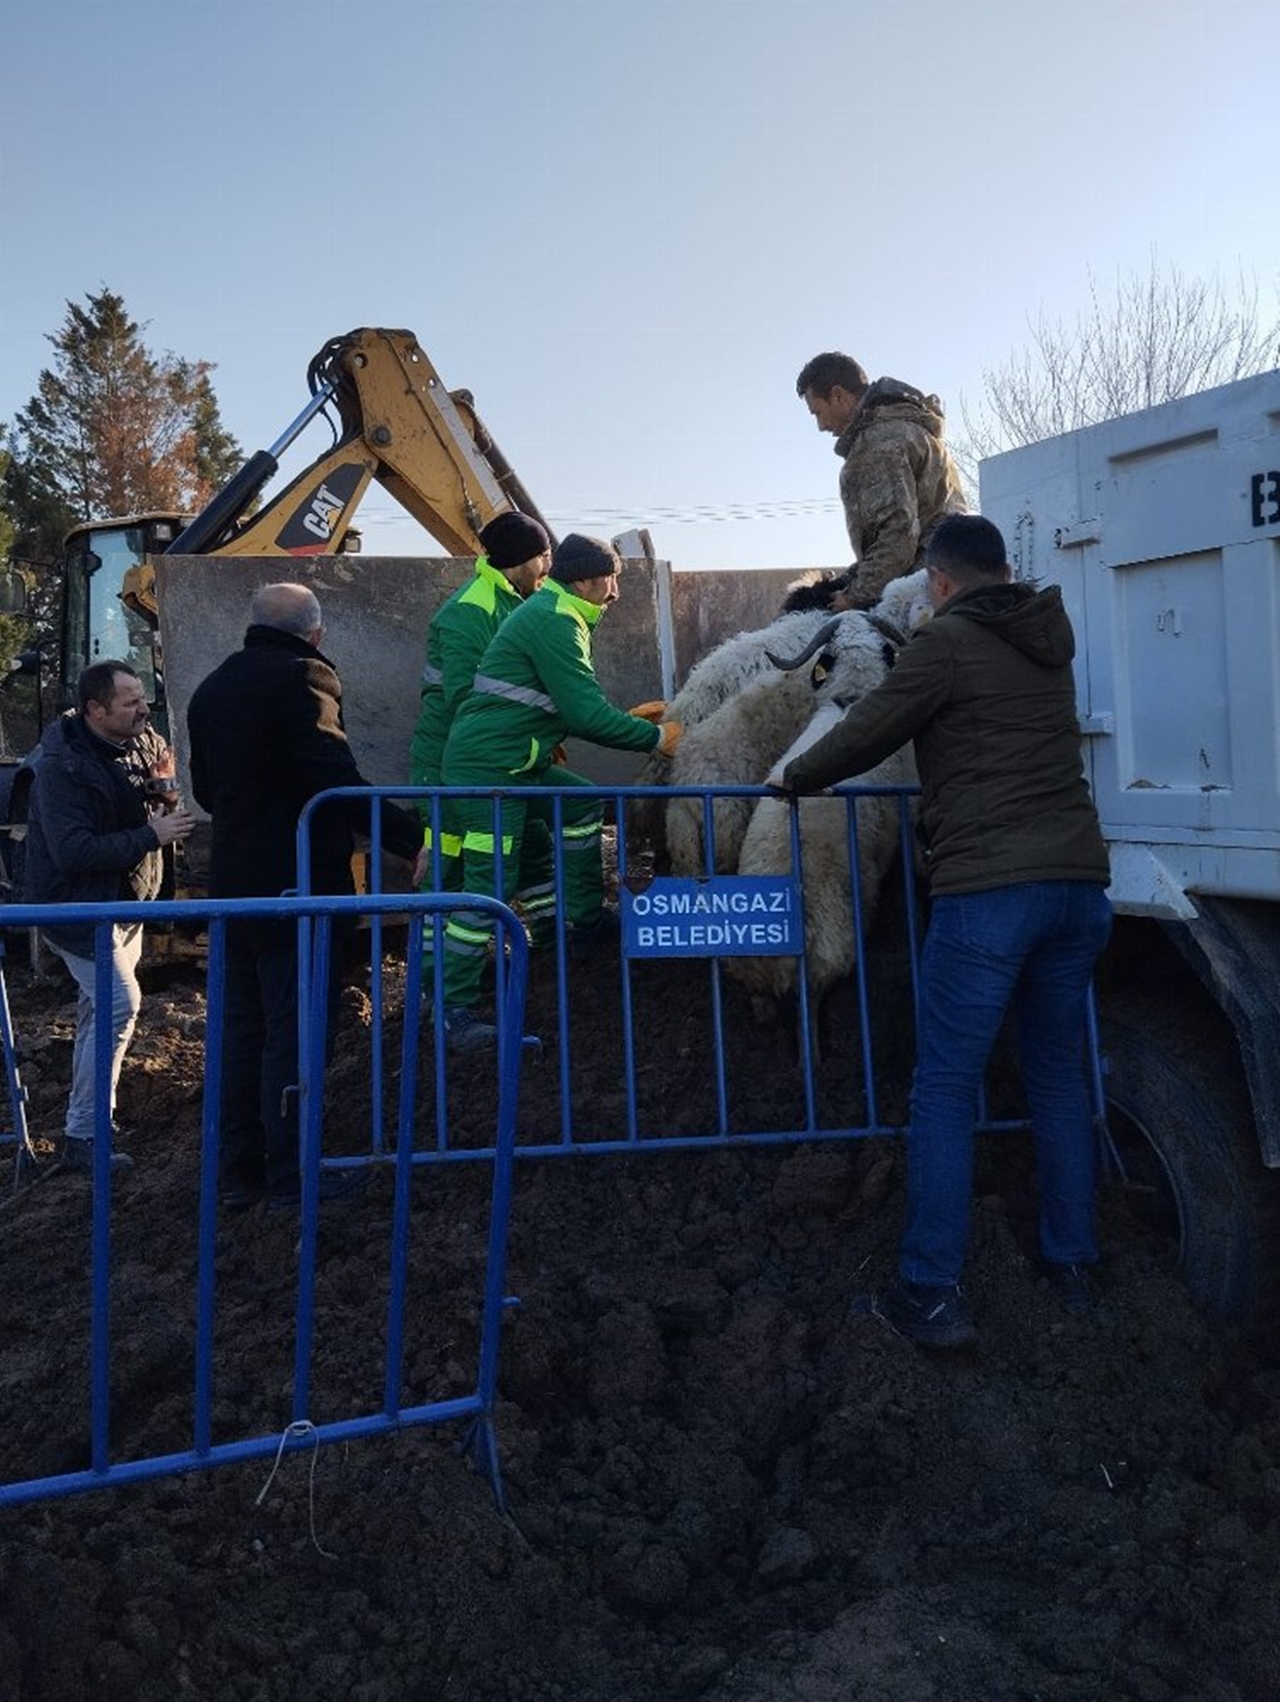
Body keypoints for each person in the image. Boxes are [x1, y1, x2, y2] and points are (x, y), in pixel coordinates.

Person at [771, 514, 1113, 1348]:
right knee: (1060, 1080)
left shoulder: (946, 643)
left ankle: (927, 1292)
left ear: (942, 581)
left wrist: (792, 778)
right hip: (1078, 889)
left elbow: (869, 728)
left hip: (992, 892)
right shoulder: (1049, 641)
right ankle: (1075, 1266)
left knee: (947, 1088)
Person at [186, 582, 426, 1211]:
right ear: (315, 633)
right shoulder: (304, 676)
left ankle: (238, 1175)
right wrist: (408, 837)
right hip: (298, 889)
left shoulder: (212, 688)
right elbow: (333, 778)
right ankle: (293, 1176)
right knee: (295, 1034)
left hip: (234, 892)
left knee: (241, 1033)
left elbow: (208, 792)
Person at [439, 533, 682, 1052]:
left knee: (580, 800)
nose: (616, 591)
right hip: (489, 770)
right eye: (609, 579)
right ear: (582, 580)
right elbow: (584, 714)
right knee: (490, 881)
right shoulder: (556, 619)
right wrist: (659, 739)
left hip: (517, 759)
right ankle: (451, 1009)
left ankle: (583, 920)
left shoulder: (558, 611)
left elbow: (568, 703)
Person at [23, 661, 196, 1172]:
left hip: (125, 898)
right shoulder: (61, 768)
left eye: (143, 698)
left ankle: (83, 1132)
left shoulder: (141, 742)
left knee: (101, 1011)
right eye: (131, 702)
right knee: (120, 1003)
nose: (145, 708)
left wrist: (163, 798)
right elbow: (72, 852)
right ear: (96, 710)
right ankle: (88, 1133)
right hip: (78, 906)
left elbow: (153, 794)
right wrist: (152, 837)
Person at [408, 510, 552, 930]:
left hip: (498, 760)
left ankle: (551, 947)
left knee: (533, 850)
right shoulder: (472, 609)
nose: (548, 566)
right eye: (543, 556)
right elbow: (467, 699)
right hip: (451, 766)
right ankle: (436, 982)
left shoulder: (515, 603)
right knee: (448, 875)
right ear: (520, 560)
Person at [795, 350, 966, 610]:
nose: (820, 425)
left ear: (838, 395)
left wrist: (854, 596)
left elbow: (898, 535)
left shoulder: (879, 443)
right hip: (950, 577)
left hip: (921, 594)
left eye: (817, 412)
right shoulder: (912, 427)